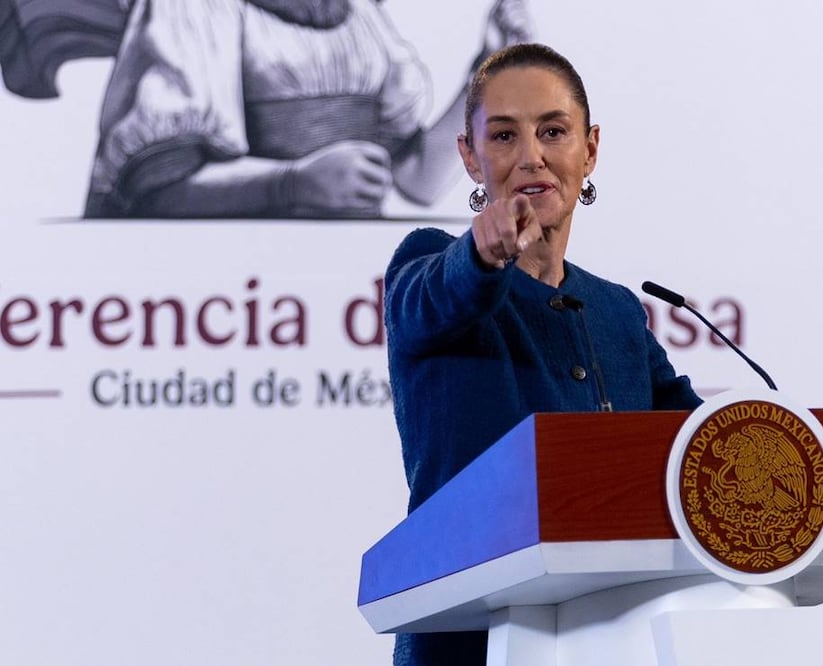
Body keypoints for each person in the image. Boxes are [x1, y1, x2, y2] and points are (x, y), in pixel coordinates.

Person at [383, 43, 702, 666]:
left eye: (553, 130)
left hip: (614, 639)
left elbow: (697, 440)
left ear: (590, 148)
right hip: (466, 644)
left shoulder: (615, 310)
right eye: (503, 136)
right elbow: (436, 297)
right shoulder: (430, 264)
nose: (531, 155)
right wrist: (480, 255)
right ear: (469, 157)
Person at [79, 0, 532, 218]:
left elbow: (415, 179)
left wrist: (487, 78)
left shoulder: (359, 18)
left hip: (334, 290)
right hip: (228, 295)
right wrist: (291, 184)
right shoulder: (195, 9)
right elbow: (156, 188)